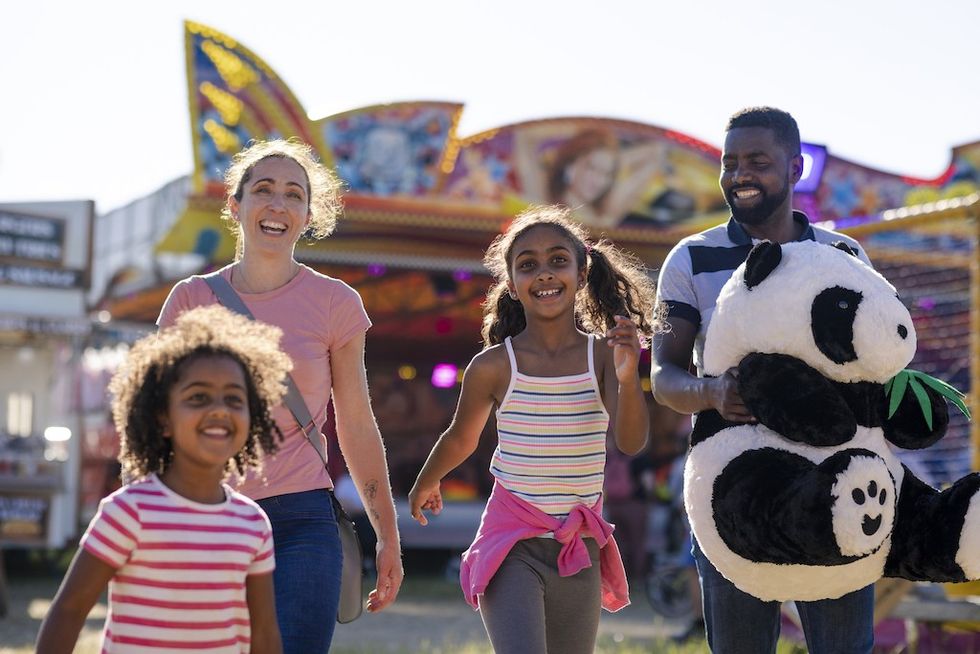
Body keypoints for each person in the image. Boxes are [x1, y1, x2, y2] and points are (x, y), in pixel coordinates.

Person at [157, 138, 403, 653]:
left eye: (294, 194)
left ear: (309, 214)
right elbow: (156, 420)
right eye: (263, 189)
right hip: (207, 511)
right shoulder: (191, 299)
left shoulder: (336, 302)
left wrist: (387, 536)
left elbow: (356, 423)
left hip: (301, 524)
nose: (278, 204)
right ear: (236, 205)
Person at [650, 106, 874, 654]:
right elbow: (663, 375)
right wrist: (712, 393)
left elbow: (875, 369)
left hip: (834, 488)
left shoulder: (843, 255)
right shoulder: (690, 258)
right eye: (729, 163)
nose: (739, 174)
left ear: (796, 168)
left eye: (758, 161)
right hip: (733, 494)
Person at [409, 204, 661, 653]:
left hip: (577, 544)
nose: (544, 273)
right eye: (528, 265)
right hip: (511, 541)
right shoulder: (492, 366)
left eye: (557, 261)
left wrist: (628, 377)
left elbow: (631, 441)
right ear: (511, 283)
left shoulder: (602, 357)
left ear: (581, 273)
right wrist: (427, 480)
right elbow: (460, 438)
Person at [36, 305, 291, 654]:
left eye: (234, 399)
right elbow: (69, 611)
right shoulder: (129, 512)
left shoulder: (253, 523)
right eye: (198, 397)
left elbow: (264, 633)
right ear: (162, 420)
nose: (219, 409)